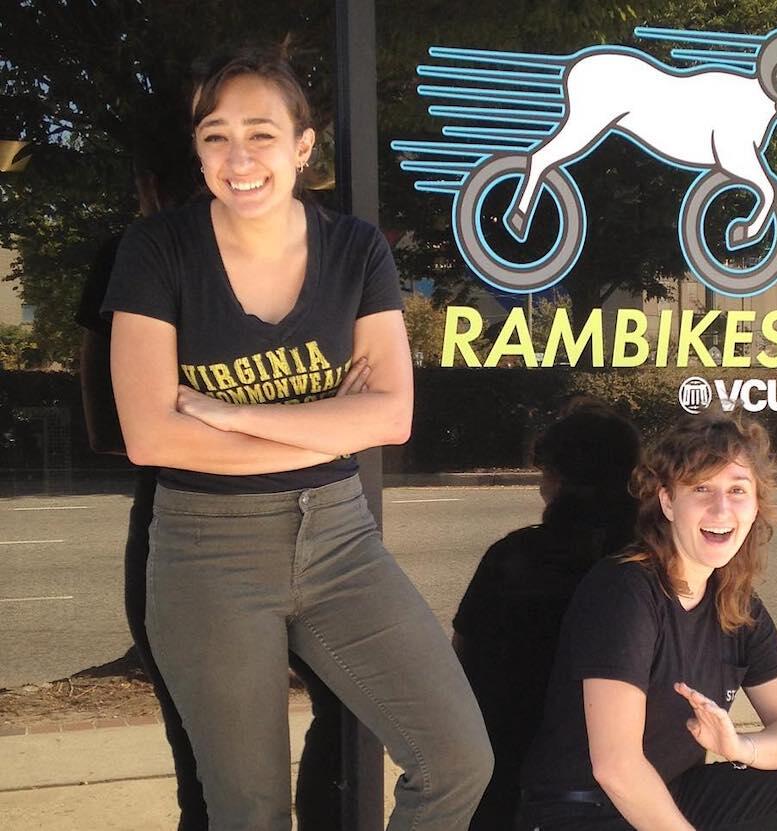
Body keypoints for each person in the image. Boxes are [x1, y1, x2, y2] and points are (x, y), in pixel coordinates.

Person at [103, 44, 491, 830]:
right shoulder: (158, 251)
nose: (238, 157)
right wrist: (326, 428)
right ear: (198, 150)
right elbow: (149, 435)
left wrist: (234, 414)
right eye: (215, 136)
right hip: (207, 548)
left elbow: (391, 417)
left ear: (303, 146)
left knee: (456, 757)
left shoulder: (355, 249)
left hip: (340, 538)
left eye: (261, 133)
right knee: (249, 811)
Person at [519, 416, 777, 830]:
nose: (722, 508)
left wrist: (741, 746)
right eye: (701, 488)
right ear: (667, 502)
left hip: (675, 792)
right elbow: (616, 766)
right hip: (585, 812)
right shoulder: (625, 589)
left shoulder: (735, 601)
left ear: (755, 506)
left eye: (737, 490)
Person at [453, 398, 641, 829]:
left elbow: (465, 657)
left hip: (509, 767)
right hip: (626, 776)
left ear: (554, 479)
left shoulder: (513, 557)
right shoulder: (648, 564)